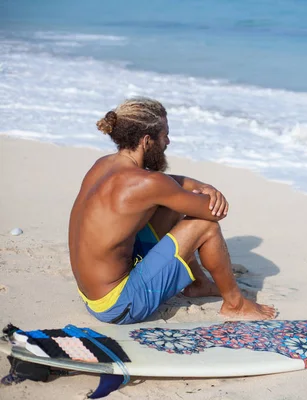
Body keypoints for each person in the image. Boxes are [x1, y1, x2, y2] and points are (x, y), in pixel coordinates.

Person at [68, 97, 277, 324]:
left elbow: (165, 183)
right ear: (147, 141)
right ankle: (235, 305)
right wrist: (210, 194)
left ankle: (198, 284)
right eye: (164, 135)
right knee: (204, 226)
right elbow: (214, 213)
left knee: (168, 208)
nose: (168, 141)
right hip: (119, 306)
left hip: (92, 295)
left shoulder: (104, 164)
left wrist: (202, 186)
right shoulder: (148, 183)